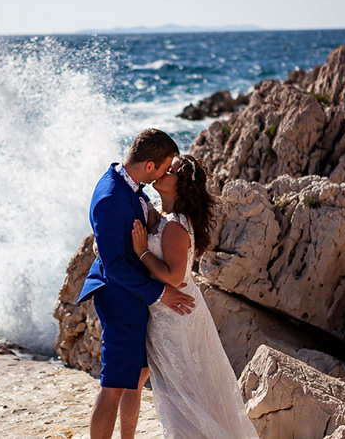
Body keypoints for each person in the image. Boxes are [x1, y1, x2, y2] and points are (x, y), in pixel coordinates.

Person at [77, 128, 196, 439]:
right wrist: (161, 293)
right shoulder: (111, 197)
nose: (168, 171)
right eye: (167, 166)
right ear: (149, 167)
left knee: (138, 374)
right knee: (114, 383)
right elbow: (115, 265)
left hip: (135, 297)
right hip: (120, 299)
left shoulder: (130, 184)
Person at [131, 154, 259, 438]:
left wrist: (142, 251)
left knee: (183, 393)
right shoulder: (163, 217)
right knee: (179, 390)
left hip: (177, 316)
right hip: (169, 311)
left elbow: (174, 276)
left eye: (172, 171)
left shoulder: (175, 225)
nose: (164, 171)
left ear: (182, 185)